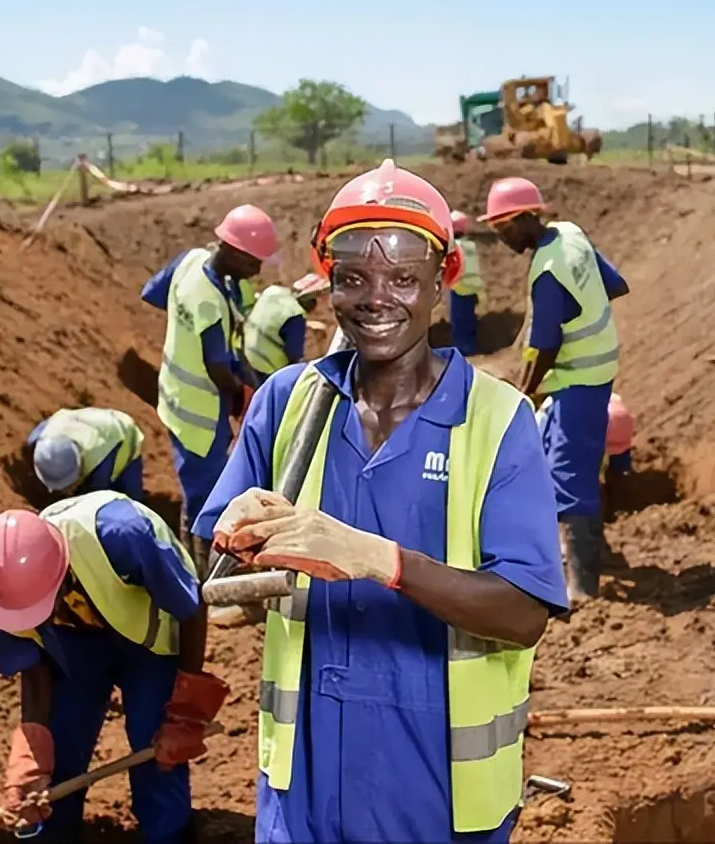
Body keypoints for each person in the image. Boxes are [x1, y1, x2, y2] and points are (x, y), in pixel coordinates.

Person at [193, 159, 569, 843]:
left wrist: (376, 558)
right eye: (354, 278)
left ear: (440, 282)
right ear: (329, 282)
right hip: (306, 783)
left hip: (434, 787)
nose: (377, 298)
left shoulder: (496, 421)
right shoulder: (288, 404)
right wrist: (236, 542)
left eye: (402, 278)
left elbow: (522, 614)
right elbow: (223, 586)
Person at [0, 492, 229, 844]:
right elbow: (34, 671)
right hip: (75, 646)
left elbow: (190, 605)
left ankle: (168, 835)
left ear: (61, 573)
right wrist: (29, 759)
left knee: (155, 747)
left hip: (148, 643)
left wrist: (185, 710)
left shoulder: (122, 535)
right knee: (60, 750)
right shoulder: (3, 590)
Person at [479, 176, 629, 602]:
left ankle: (581, 587)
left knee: (569, 475)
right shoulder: (571, 234)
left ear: (525, 218)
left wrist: (525, 392)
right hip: (593, 370)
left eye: (502, 228)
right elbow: (615, 284)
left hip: (577, 379)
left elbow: (546, 343)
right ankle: (562, 556)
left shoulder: (547, 269)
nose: (502, 238)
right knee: (549, 461)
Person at [142, 204, 278, 576]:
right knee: (208, 495)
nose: (258, 271)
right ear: (233, 252)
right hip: (199, 413)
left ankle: (198, 563)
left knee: (198, 487)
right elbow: (216, 366)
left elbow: (152, 293)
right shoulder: (208, 301)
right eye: (254, 262)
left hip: (174, 392)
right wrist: (243, 394)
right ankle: (204, 575)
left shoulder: (190, 262)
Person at [24, 407, 146, 501]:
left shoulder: (99, 464)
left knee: (130, 497)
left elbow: (95, 499)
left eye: (67, 486)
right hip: (91, 421)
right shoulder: (39, 438)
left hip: (123, 434)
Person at [239, 273, 330, 388]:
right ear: (313, 301)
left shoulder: (273, 291)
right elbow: (294, 356)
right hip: (263, 368)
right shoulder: (295, 316)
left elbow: (271, 321)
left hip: (245, 353)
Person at [447, 209, 485, 356]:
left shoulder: (454, 247)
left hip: (459, 287)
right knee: (469, 318)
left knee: (459, 319)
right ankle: (471, 344)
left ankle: (463, 347)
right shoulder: (470, 245)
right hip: (472, 287)